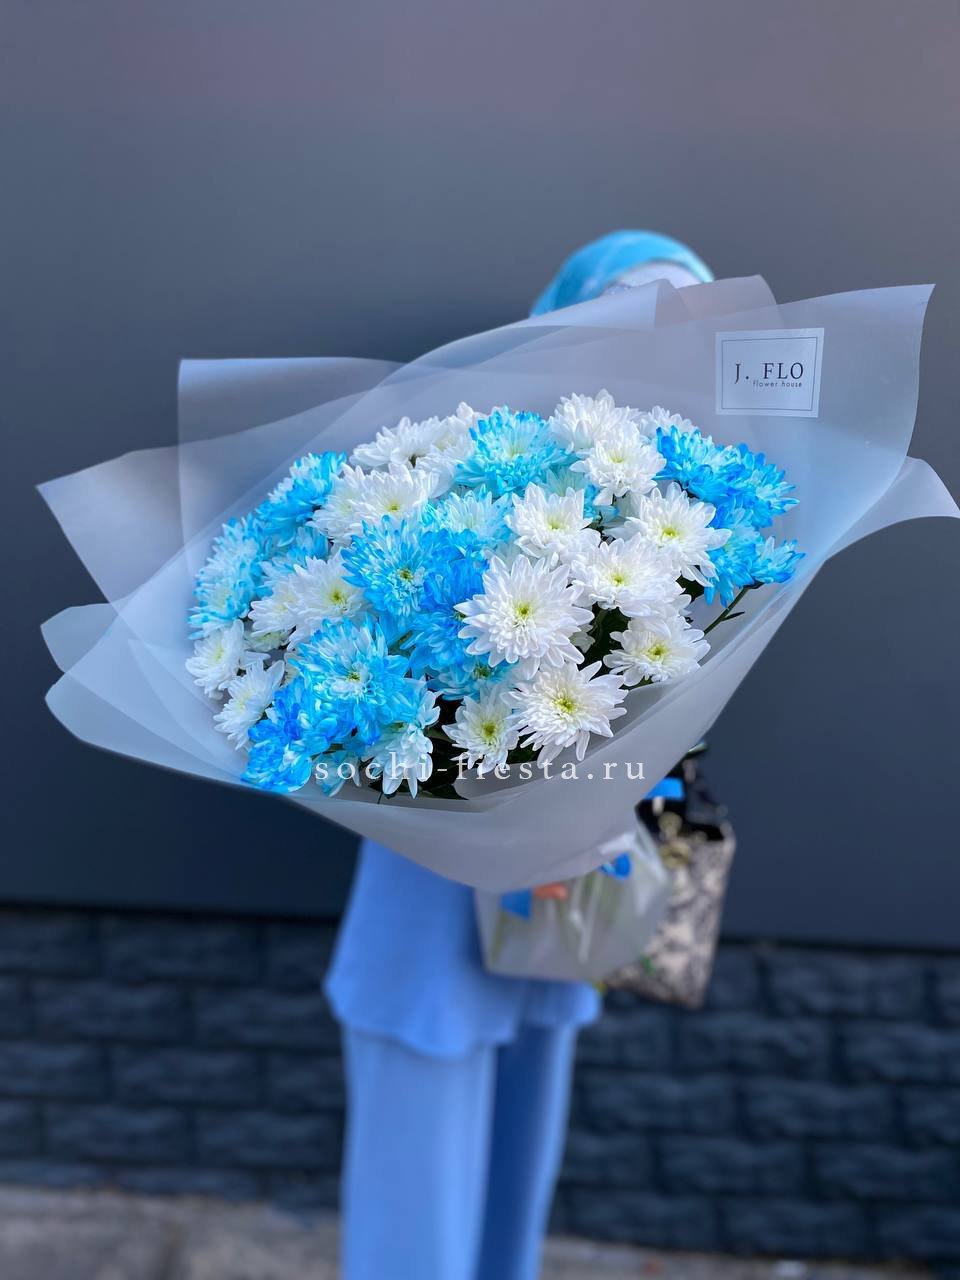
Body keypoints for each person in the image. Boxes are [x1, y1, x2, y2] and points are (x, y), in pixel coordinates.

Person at [325, 230, 714, 1280]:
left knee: (515, 1173)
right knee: (415, 1177)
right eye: (630, 310)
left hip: (559, 901)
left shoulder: (674, 497)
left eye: (684, 316)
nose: (654, 338)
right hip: (433, 893)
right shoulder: (468, 467)